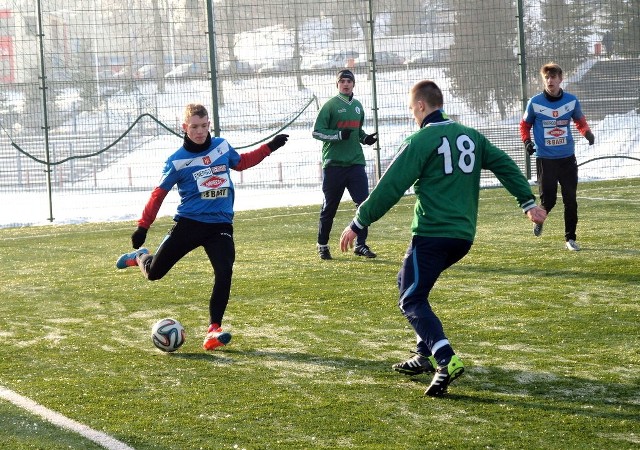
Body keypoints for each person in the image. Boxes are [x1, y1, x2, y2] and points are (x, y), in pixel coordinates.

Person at [339, 80, 547, 397]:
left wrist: (358, 221)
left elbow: (390, 185)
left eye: (412, 109)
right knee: (407, 284)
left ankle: (445, 359)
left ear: (421, 106)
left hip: (432, 233)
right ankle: (423, 355)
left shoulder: (422, 140)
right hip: (462, 237)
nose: (412, 115)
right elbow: (504, 162)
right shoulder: (471, 136)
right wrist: (527, 202)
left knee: (410, 298)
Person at [115, 103, 289, 351]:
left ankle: (213, 330)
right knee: (154, 274)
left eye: (204, 126)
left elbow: (242, 162)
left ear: (209, 124)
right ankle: (141, 257)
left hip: (220, 224)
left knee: (224, 271)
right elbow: (158, 195)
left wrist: (270, 147)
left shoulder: (222, 146)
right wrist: (143, 226)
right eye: (194, 127)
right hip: (189, 223)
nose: (199, 131)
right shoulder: (176, 162)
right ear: (184, 128)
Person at [520, 62, 595, 251]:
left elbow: (580, 121)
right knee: (549, 201)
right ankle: (539, 218)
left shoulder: (571, 101)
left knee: (570, 199)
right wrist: (527, 142)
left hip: (567, 159)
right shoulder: (535, 103)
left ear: (561, 79)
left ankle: (570, 238)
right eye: (547, 77)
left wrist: (587, 133)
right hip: (546, 160)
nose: (550, 80)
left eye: (553, 77)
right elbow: (524, 126)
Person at [312, 69, 378, 260]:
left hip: (356, 163)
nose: (346, 84)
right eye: (342, 81)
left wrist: (365, 139)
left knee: (364, 205)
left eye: (349, 81)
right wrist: (338, 135)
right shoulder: (330, 105)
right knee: (329, 207)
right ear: (337, 84)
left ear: (354, 84)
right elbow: (317, 132)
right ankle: (322, 245)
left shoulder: (358, 106)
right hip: (334, 165)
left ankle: (361, 245)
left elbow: (357, 132)